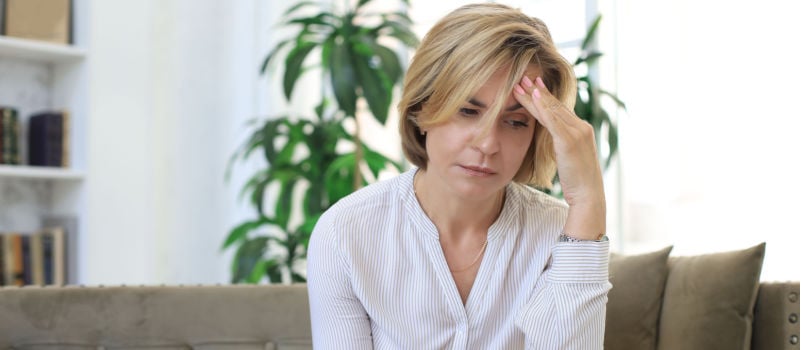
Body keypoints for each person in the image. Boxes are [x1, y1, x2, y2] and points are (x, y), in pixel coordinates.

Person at [307, 3, 611, 349]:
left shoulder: (564, 236)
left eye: (515, 121)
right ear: (422, 107)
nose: (487, 144)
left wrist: (588, 199)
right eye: (468, 111)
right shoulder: (346, 234)